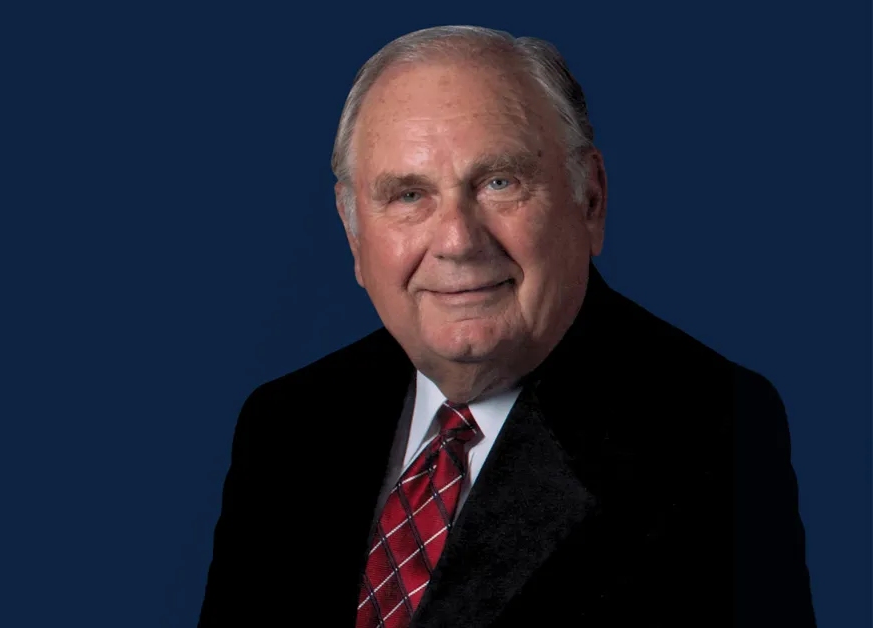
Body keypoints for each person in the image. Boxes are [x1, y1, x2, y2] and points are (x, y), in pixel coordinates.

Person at [198, 25, 815, 628]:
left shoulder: (711, 428)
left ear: (591, 200)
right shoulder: (284, 425)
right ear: (352, 231)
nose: (457, 241)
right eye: (408, 195)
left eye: (500, 182)